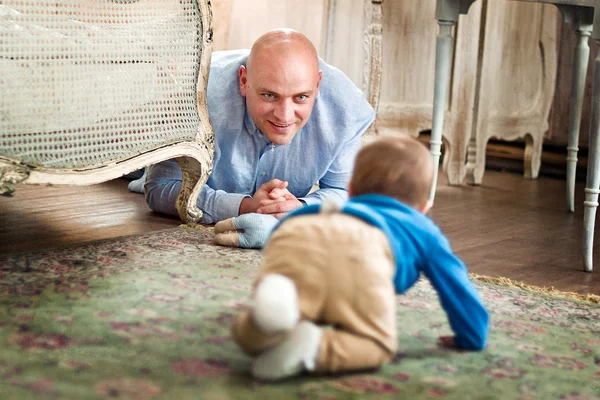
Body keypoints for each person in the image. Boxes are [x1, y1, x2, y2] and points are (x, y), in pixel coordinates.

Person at [225, 135, 490, 381]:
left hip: (301, 234)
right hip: (366, 254)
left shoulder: (334, 208)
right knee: (375, 344)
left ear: (350, 190)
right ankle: (314, 348)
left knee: (269, 319)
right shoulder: (420, 227)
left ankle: (268, 317)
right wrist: (472, 335)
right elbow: (456, 286)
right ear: (424, 208)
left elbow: (288, 224)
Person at [139, 29, 375, 224]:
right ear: (244, 82)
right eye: (270, 95)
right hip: (150, 125)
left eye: (301, 97)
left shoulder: (344, 110)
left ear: (318, 84)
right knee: (133, 163)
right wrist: (243, 207)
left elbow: (345, 192)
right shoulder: (194, 100)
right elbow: (160, 187)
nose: (284, 116)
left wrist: (300, 207)